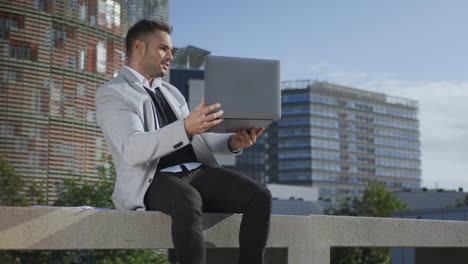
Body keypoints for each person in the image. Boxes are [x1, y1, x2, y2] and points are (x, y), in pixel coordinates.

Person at [95, 19, 272, 264]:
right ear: (138, 48)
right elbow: (132, 149)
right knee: (188, 201)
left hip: (197, 172)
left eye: (171, 50)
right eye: (163, 48)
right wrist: (186, 126)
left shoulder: (172, 92)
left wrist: (232, 142)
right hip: (154, 179)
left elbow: (196, 137)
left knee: (259, 196)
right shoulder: (113, 93)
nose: (170, 55)